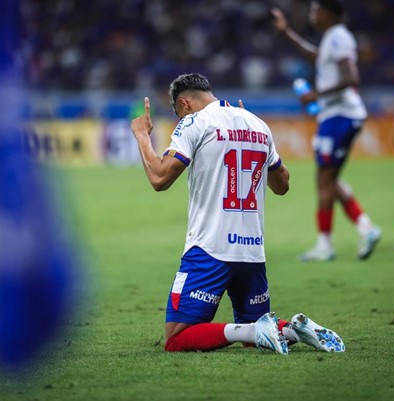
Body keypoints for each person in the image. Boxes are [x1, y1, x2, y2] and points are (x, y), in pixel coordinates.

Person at [130, 73, 345, 353]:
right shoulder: (257, 123)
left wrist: (142, 136)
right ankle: (292, 329)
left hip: (210, 250)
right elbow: (282, 185)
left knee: (176, 339)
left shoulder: (194, 122)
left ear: (184, 103)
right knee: (250, 332)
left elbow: (160, 178)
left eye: (177, 111)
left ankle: (261, 330)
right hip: (252, 253)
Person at [272, 0, 381, 262]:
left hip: (340, 117)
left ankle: (328, 244)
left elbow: (350, 77)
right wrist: (286, 32)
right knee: (327, 179)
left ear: (327, 13)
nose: (311, 14)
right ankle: (364, 228)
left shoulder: (340, 37)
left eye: (315, 9)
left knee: (324, 179)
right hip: (336, 117)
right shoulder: (333, 38)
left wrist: (316, 95)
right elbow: (314, 55)